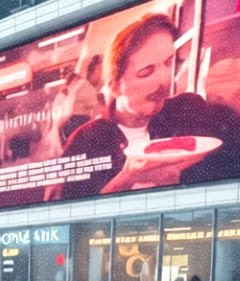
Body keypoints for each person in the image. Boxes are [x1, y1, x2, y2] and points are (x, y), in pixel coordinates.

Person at [50, 14, 240, 201]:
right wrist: (126, 179)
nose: (164, 79)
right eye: (146, 72)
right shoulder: (85, 142)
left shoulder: (188, 110)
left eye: (168, 63)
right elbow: (65, 215)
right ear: (115, 86)